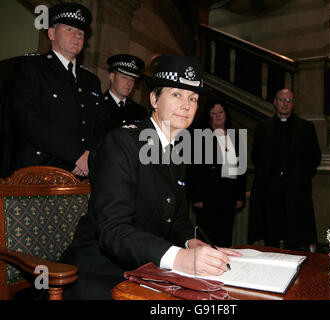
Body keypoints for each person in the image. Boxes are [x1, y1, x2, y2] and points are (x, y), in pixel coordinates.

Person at [61, 55, 241, 299]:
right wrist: (180, 258)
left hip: (148, 270)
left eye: (193, 98)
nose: (187, 105)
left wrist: (192, 243)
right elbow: (112, 230)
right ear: (154, 99)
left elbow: (177, 219)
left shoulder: (177, 152)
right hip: (102, 274)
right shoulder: (122, 143)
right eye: (176, 94)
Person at [9, 3, 108, 177]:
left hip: (82, 174)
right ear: (52, 33)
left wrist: (90, 156)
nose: (77, 36)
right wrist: (76, 155)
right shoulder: (31, 67)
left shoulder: (91, 80)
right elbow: (29, 119)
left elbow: (100, 127)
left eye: (81, 33)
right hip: (38, 173)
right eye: (69, 29)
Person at [248, 88, 321, 251]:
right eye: (282, 100)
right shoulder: (262, 128)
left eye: (289, 100)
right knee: (270, 235)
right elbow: (256, 157)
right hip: (270, 192)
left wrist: (301, 177)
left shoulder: (306, 127)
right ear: (275, 102)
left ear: (293, 104)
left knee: (294, 236)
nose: (285, 104)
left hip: (296, 193)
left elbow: (315, 157)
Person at [190, 99, 247, 247]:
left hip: (229, 197)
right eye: (214, 113)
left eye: (220, 112)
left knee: (225, 239)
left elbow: (241, 169)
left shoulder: (236, 137)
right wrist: (196, 197)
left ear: (226, 114)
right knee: (207, 241)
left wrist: (240, 196)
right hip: (208, 197)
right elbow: (194, 170)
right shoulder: (200, 137)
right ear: (209, 116)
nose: (218, 116)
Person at [103, 54, 148, 129]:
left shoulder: (140, 111)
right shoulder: (97, 106)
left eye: (132, 79)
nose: (129, 83)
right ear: (112, 77)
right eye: (124, 77)